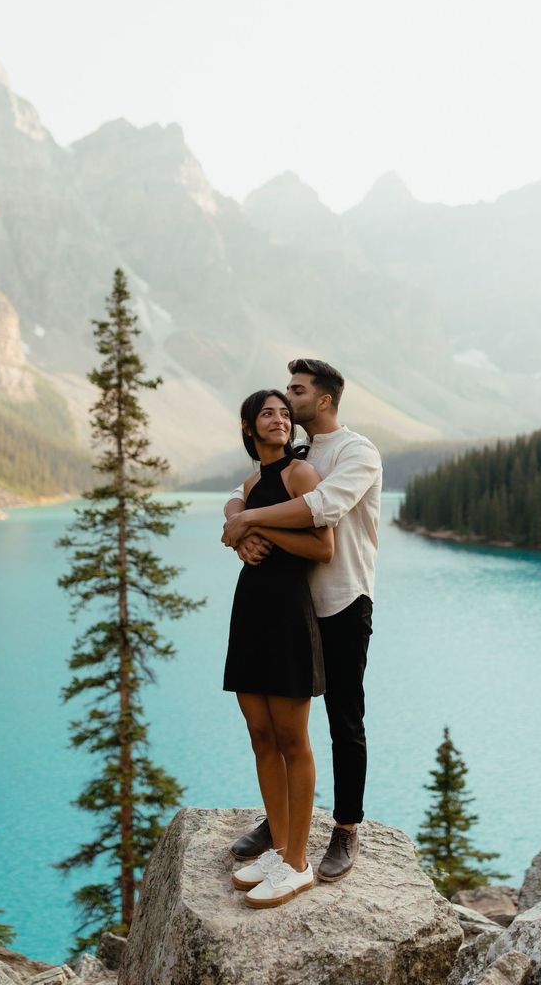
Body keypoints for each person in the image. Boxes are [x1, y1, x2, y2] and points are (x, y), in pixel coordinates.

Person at [223, 358, 382, 882]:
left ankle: (346, 828)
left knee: (344, 717)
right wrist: (236, 518)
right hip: (292, 605)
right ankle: (283, 825)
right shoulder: (299, 449)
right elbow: (255, 484)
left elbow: (322, 508)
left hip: (342, 598)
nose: (287, 401)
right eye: (283, 393)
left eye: (296, 390)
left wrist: (247, 521)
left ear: (325, 399)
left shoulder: (357, 452)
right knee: (283, 728)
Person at [223, 388, 334, 908]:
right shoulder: (251, 482)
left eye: (285, 413)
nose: (280, 420)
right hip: (251, 614)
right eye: (267, 413)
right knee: (260, 735)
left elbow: (322, 547)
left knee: (294, 740)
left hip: (290, 615)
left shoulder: (300, 476)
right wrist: (241, 528)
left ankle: (298, 863)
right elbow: (236, 522)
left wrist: (255, 522)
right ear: (249, 428)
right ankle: (280, 846)